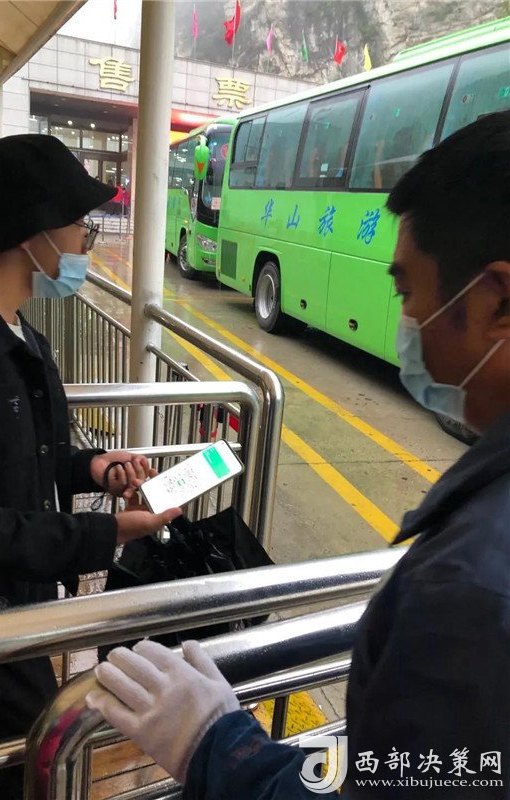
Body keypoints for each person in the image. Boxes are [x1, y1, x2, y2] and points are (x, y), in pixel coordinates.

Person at [86, 111, 510, 797]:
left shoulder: (469, 590)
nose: (407, 324)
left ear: (497, 302)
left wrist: (219, 748)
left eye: (407, 292)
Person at [0, 133, 181, 800]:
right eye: (80, 223)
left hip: (17, 614)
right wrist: (103, 534)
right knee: (5, 773)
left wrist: (92, 469)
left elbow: (24, 457)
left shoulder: (15, 330)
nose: (86, 239)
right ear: (34, 233)